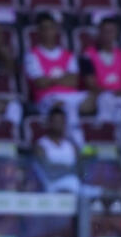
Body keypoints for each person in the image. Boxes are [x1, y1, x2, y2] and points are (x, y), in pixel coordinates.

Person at [24, 12, 92, 141]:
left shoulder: (68, 55)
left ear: (56, 30)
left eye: (51, 27)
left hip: (72, 96)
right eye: (44, 28)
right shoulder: (32, 55)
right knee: (66, 107)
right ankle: (77, 144)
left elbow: (74, 81)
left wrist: (51, 79)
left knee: (103, 99)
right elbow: (39, 82)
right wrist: (63, 79)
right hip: (47, 97)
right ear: (38, 32)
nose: (48, 31)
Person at [79, 17, 121, 123]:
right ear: (99, 33)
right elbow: (90, 83)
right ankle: (107, 132)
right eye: (105, 31)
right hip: (99, 96)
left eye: (111, 31)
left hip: (119, 96)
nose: (108, 35)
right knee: (107, 99)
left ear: (116, 33)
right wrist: (111, 92)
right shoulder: (88, 54)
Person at [33, 106, 81, 194]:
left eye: (61, 122)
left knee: (102, 193)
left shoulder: (72, 145)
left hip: (75, 185)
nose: (59, 124)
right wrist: (69, 169)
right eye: (56, 121)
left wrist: (58, 167)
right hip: (51, 186)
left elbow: (79, 170)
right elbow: (47, 171)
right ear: (49, 123)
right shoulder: (41, 145)